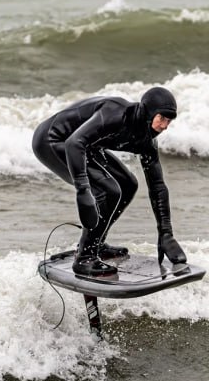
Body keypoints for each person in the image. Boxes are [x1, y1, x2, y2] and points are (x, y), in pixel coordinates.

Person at [32, 86, 188, 278]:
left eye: (169, 121)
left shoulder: (146, 141)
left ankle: (94, 244)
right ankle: (85, 257)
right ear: (148, 113)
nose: (165, 126)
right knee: (109, 190)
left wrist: (166, 233)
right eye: (162, 118)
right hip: (53, 140)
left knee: (128, 185)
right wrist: (83, 189)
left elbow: (157, 186)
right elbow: (75, 143)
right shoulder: (115, 114)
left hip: (85, 145)